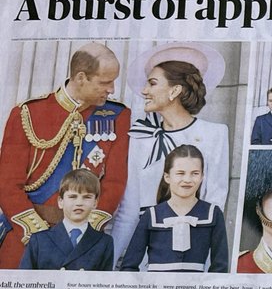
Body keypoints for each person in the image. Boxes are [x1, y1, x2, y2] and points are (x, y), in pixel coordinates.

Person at [0, 42, 129, 269]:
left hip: (81, 241)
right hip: (27, 238)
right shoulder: (28, 113)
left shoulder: (117, 115)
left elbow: (115, 182)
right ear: (81, 78)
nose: (112, 90)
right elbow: (7, 184)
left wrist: (83, 229)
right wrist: (39, 234)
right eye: (105, 82)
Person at [114, 43, 229, 265]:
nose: (144, 91)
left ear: (174, 91)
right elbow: (129, 211)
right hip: (146, 253)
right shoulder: (140, 136)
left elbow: (215, 203)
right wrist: (107, 265)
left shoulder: (215, 134)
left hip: (192, 253)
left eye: (152, 83)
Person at [119, 145, 228, 272]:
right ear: (167, 177)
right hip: (157, 288)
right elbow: (128, 266)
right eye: (180, 173)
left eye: (195, 174)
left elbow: (220, 267)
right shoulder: (152, 215)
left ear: (202, 176)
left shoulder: (213, 214)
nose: (187, 179)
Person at [19, 169, 114, 271]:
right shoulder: (39, 240)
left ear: (95, 203)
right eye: (73, 197)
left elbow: (103, 283)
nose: (79, 203)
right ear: (60, 202)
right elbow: (25, 281)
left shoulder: (104, 242)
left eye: (86, 197)